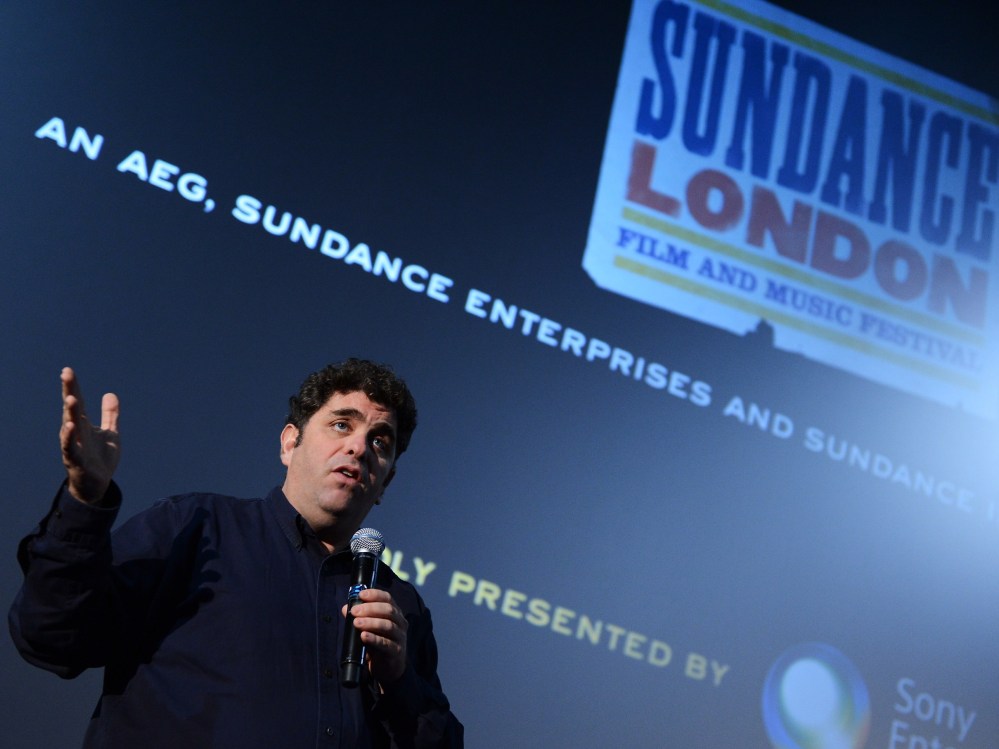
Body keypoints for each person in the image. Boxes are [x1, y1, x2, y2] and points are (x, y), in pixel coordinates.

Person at [9, 360, 463, 748]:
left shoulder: (399, 605)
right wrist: (85, 501)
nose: (359, 447)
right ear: (290, 443)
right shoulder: (195, 527)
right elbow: (52, 638)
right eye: (342, 424)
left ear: (385, 482)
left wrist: (399, 680)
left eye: (380, 441)